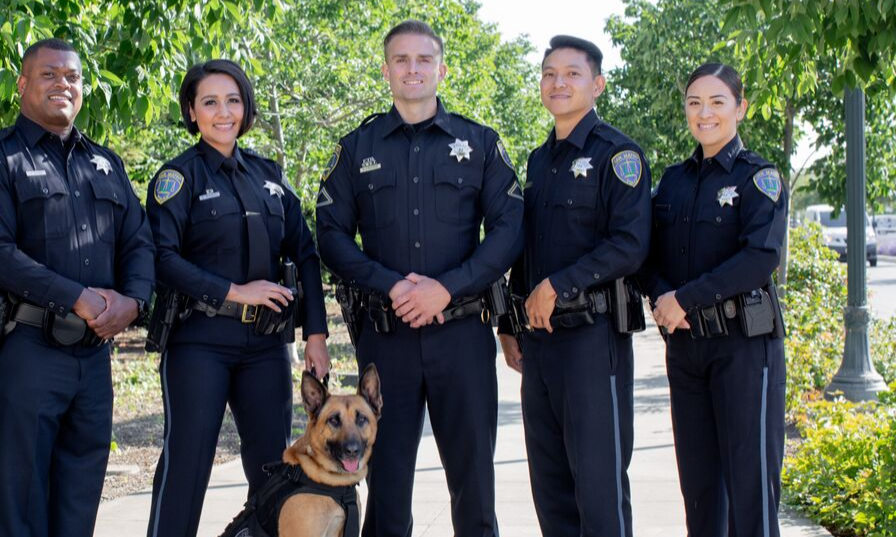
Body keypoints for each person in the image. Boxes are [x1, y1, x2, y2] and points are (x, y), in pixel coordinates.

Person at [316, 20, 523, 537]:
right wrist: (391, 285)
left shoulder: (479, 144)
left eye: (424, 60)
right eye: (402, 61)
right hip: (386, 342)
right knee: (385, 490)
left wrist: (446, 287)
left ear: (441, 68)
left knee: (474, 484)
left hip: (461, 335)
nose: (413, 69)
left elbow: (509, 228)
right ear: (386, 70)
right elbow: (330, 233)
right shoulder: (356, 147)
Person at [0, 38, 154, 537]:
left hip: (93, 357)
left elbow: (138, 242)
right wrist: (78, 296)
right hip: (23, 352)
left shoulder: (105, 163)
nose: (62, 84)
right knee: (18, 499)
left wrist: (133, 301)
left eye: (72, 77)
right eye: (48, 75)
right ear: (23, 85)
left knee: (80, 493)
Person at [144, 59, 331, 537]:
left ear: (246, 107)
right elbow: (161, 257)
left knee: (273, 468)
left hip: (265, 349)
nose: (222, 112)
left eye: (233, 100)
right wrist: (235, 291)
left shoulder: (270, 176)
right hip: (199, 342)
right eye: (209, 101)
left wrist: (316, 334)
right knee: (187, 464)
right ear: (191, 111)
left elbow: (306, 254)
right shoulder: (176, 179)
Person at [497, 35, 650, 537]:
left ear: (598, 84)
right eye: (549, 73)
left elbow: (629, 244)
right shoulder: (541, 161)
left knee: (599, 488)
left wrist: (560, 286)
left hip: (592, 340)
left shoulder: (619, 155)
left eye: (572, 73)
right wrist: (508, 322)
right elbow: (525, 248)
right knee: (551, 486)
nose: (558, 82)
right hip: (539, 345)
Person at [641, 62, 787, 537]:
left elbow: (760, 259)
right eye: (694, 102)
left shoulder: (759, 178)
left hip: (744, 347)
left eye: (717, 102)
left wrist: (685, 298)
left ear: (740, 108)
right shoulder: (673, 181)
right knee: (699, 489)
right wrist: (662, 296)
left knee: (750, 487)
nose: (704, 113)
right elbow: (648, 253)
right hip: (686, 349)